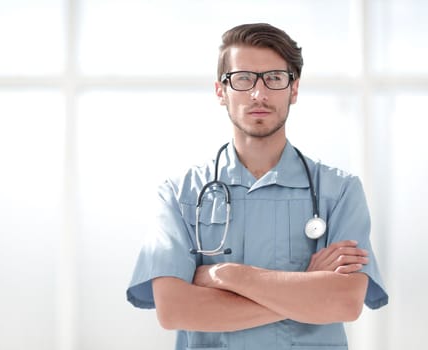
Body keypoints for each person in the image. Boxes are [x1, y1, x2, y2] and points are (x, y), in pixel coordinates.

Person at [126, 22, 388, 349]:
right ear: (221, 91)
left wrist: (228, 276)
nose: (259, 94)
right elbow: (174, 309)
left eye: (274, 78)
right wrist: (306, 290)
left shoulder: (340, 192)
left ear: (294, 89)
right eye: (243, 79)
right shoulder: (181, 195)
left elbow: (343, 303)